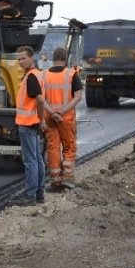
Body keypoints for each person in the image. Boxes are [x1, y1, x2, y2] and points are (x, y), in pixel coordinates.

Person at [41, 47, 84, 190]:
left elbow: (40, 99)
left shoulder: (44, 75)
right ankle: (68, 179)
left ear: (53, 59)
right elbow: (78, 97)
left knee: (53, 147)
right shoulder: (72, 75)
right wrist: (62, 111)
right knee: (69, 146)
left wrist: (51, 112)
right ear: (65, 59)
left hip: (49, 117)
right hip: (66, 118)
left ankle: (55, 181)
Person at [13, 45, 47, 206]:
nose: (20, 61)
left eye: (23, 58)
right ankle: (39, 193)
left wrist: (42, 119)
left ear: (31, 57)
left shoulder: (31, 77)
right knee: (38, 159)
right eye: (18, 59)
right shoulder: (37, 74)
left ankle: (30, 195)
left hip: (27, 124)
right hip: (32, 123)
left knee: (30, 161)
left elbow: (39, 100)